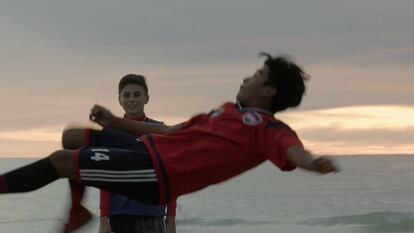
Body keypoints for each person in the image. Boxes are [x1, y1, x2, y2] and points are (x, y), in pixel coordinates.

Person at [0, 53, 339, 233]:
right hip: (146, 150)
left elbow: (293, 150)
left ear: (269, 92)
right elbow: (173, 131)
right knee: (72, 136)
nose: (246, 78)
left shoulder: (268, 128)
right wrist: (112, 121)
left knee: (62, 160)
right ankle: (76, 212)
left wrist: (312, 163)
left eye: (256, 77)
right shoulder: (223, 111)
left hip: (156, 175)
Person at [64, 74, 176, 233]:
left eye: (137, 94)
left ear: (147, 98)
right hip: (119, 215)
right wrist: (104, 219)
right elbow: (105, 179)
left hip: (151, 214)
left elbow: (171, 178)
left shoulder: (159, 131)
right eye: (127, 95)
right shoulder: (110, 133)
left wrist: (170, 220)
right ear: (119, 100)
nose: (132, 100)